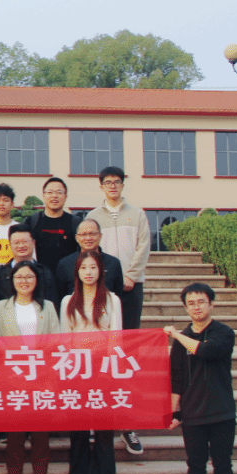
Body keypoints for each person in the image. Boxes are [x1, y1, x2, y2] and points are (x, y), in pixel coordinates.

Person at [166, 282, 237, 474]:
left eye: (201, 302)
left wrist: (176, 335)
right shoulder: (181, 340)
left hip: (222, 410)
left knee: (223, 463)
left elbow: (206, 351)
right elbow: (177, 378)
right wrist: (174, 411)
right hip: (193, 411)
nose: (196, 307)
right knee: (196, 463)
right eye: (191, 303)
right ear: (185, 307)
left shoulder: (224, 333)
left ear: (211, 304)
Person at [86, 166, 151, 456]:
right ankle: (96, 417)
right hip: (100, 290)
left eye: (117, 182)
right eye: (108, 182)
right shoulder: (92, 216)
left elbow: (144, 247)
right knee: (100, 351)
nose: (112, 186)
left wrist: (131, 276)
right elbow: (89, 250)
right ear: (101, 186)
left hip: (130, 288)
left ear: (123, 185)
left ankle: (127, 425)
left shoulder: (137, 214)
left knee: (126, 351)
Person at [0, 261, 59, 474]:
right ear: (12, 280)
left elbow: (55, 341)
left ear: (36, 280)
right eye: (19, 277)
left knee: (41, 435)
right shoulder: (1, 307)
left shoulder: (47, 306)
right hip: (13, 377)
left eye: (29, 277)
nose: (24, 281)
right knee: (15, 435)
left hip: (41, 378)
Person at [59, 250, 122, 474]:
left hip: (104, 369)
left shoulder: (112, 300)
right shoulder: (68, 301)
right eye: (84, 267)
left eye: (93, 267)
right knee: (79, 428)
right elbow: (64, 340)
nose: (88, 272)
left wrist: (110, 370)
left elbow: (116, 337)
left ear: (101, 271)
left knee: (104, 428)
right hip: (77, 370)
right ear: (77, 271)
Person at [0, 225, 57, 310]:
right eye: (16, 243)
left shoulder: (45, 272)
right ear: (10, 244)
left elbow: (53, 304)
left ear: (34, 243)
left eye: (25, 242)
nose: (21, 246)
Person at [54, 218, 125, 303]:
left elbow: (119, 295)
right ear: (77, 238)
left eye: (92, 234)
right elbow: (60, 296)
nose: (88, 238)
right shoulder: (65, 264)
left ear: (100, 236)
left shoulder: (113, 263)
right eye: (83, 234)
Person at [23, 177, 79, 272]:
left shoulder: (76, 223)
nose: (54, 196)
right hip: (39, 277)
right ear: (43, 196)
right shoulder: (31, 221)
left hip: (68, 277)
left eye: (59, 192)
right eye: (50, 192)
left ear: (65, 196)